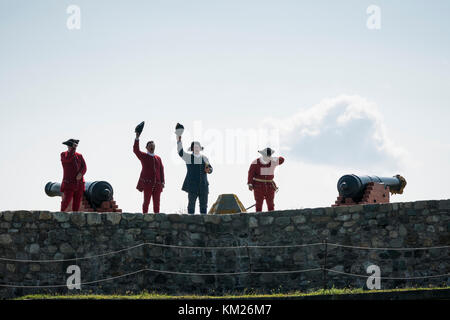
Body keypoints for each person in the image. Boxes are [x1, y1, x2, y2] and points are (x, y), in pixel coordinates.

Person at [176, 135, 213, 214]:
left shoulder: (204, 158)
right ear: (192, 149)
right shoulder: (188, 157)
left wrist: (209, 170)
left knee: (204, 207)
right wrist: (179, 142)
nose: (196, 148)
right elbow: (180, 152)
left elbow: (210, 169)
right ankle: (191, 225)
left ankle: (203, 225)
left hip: (204, 186)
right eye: (194, 147)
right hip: (192, 186)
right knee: (191, 206)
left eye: (198, 147)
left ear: (200, 148)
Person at [134, 131, 165, 213]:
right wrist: (137, 138)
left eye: (153, 146)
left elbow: (161, 170)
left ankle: (157, 218)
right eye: (150, 146)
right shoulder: (144, 156)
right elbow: (136, 150)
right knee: (146, 202)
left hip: (158, 184)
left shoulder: (158, 158)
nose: (152, 147)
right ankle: (144, 217)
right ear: (146, 147)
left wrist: (162, 182)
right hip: (147, 183)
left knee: (157, 203)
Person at [247, 148, 284, 212]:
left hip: (270, 186)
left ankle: (272, 217)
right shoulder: (255, 162)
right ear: (263, 155)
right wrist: (250, 184)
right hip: (258, 186)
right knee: (259, 204)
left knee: (271, 204)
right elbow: (250, 173)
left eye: (269, 156)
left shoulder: (273, 161)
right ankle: (258, 218)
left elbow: (282, 160)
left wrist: (275, 158)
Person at [60, 139, 87, 212]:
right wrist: (73, 149)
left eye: (73, 147)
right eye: (70, 146)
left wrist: (81, 174)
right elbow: (68, 159)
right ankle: (60, 214)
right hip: (69, 183)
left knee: (77, 202)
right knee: (66, 201)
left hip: (79, 183)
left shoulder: (79, 156)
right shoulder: (63, 155)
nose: (71, 148)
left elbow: (84, 167)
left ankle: (75, 217)